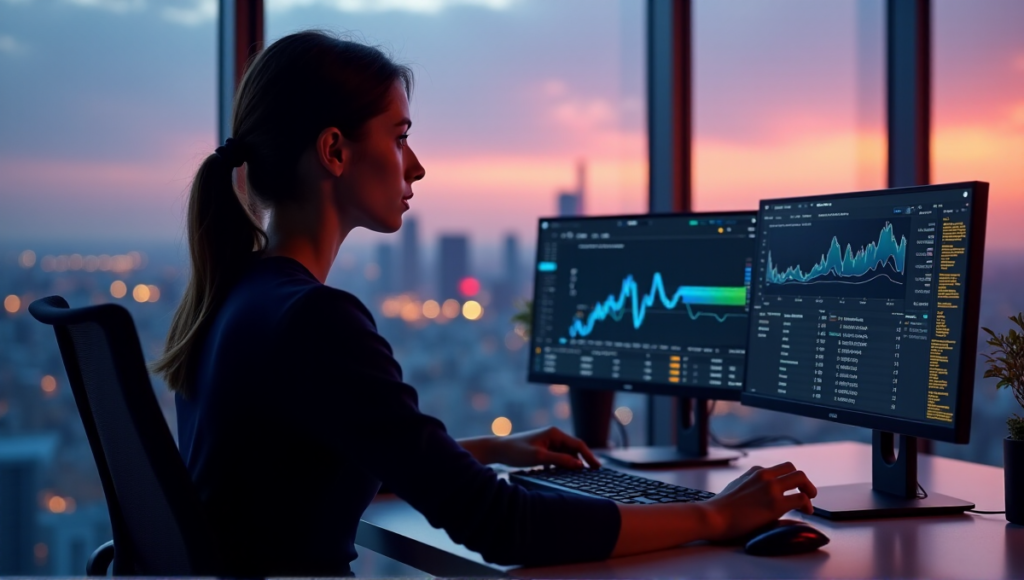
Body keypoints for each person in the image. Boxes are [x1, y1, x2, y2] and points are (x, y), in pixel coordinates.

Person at [155, 30, 817, 577]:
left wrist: (491, 452)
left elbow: (307, 471)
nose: (415, 166)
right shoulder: (314, 320)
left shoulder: (242, 298)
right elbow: (506, 530)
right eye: (398, 134)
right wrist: (717, 516)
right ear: (334, 150)